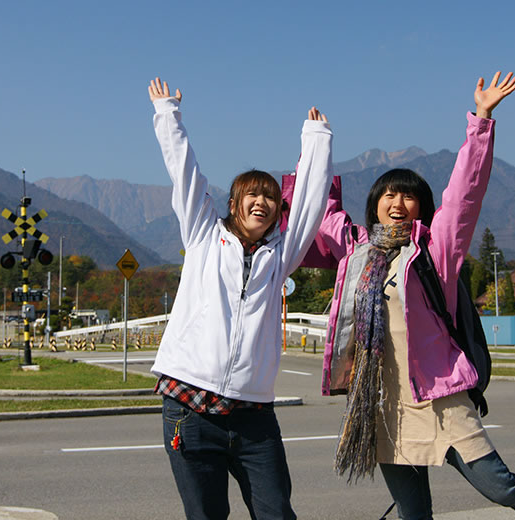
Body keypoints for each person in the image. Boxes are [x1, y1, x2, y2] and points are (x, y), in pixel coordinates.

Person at [283, 72, 515, 519]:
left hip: (439, 397)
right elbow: (319, 211)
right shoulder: (356, 248)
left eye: (409, 197)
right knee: (412, 512)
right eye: (389, 194)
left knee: (500, 486)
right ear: (376, 202)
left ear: (422, 207)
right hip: (380, 400)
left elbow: (465, 196)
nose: (398, 202)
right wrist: (314, 149)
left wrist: (481, 119)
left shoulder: (435, 249)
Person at [147, 77, 333, 520]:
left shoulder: (281, 254)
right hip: (189, 405)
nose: (262, 202)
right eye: (253, 194)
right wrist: (168, 114)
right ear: (233, 203)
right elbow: (185, 174)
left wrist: (317, 141)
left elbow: (309, 203)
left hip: (253, 415)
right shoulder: (203, 234)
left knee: (276, 514)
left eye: (270, 197)